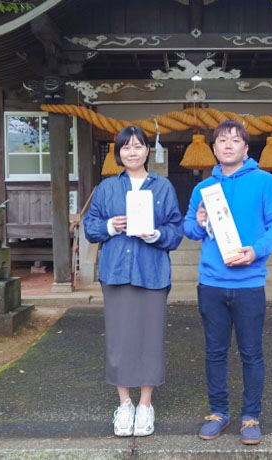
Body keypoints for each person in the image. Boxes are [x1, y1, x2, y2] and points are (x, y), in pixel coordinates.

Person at [183, 120, 272, 445]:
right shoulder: (203, 188)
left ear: (246, 147)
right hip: (211, 282)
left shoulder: (265, 182)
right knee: (214, 352)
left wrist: (256, 251)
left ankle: (250, 416)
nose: (228, 145)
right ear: (213, 148)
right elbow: (189, 228)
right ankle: (218, 412)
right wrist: (199, 222)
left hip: (249, 283)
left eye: (235, 140)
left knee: (251, 353)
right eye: (221, 140)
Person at [84, 125, 183, 437]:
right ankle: (124, 403)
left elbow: (176, 231)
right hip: (116, 271)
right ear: (118, 153)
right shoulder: (106, 188)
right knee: (120, 338)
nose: (132, 152)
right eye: (125, 147)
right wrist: (110, 226)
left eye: (138, 146)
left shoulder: (163, 187)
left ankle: (145, 404)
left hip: (152, 271)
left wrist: (156, 234)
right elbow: (90, 227)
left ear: (147, 151)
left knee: (149, 338)